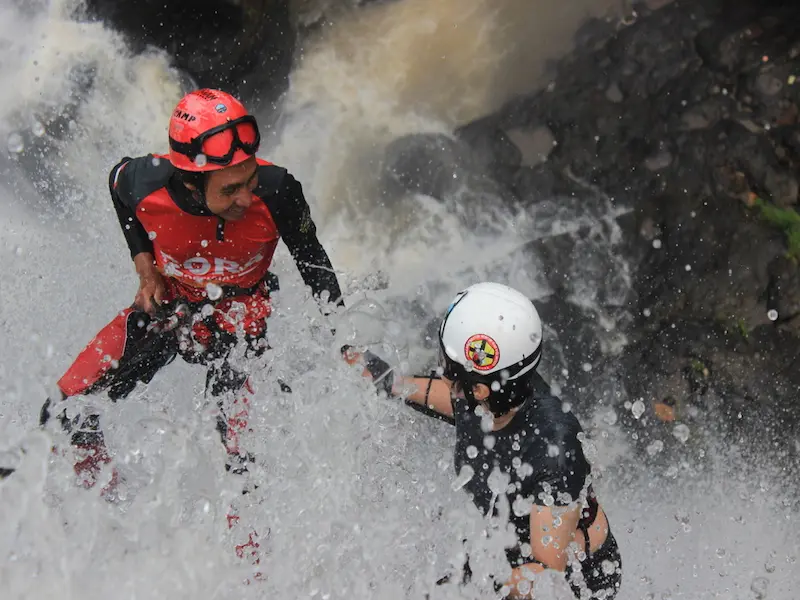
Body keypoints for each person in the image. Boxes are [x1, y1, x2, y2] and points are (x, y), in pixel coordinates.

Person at [41, 88, 345, 494]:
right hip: (172, 308)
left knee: (239, 461)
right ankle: (104, 498)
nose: (246, 196)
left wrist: (345, 341)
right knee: (61, 412)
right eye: (230, 189)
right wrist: (145, 269)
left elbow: (314, 263)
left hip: (243, 324)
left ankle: (250, 552)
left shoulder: (279, 191)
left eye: (250, 178)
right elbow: (117, 187)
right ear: (190, 181)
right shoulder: (146, 182)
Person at [347, 282, 622, 599]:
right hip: (511, 546)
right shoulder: (501, 390)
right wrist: (389, 382)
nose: (441, 370)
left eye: (447, 366)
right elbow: (455, 402)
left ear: (477, 389)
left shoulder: (555, 449)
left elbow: (547, 580)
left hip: (576, 580)